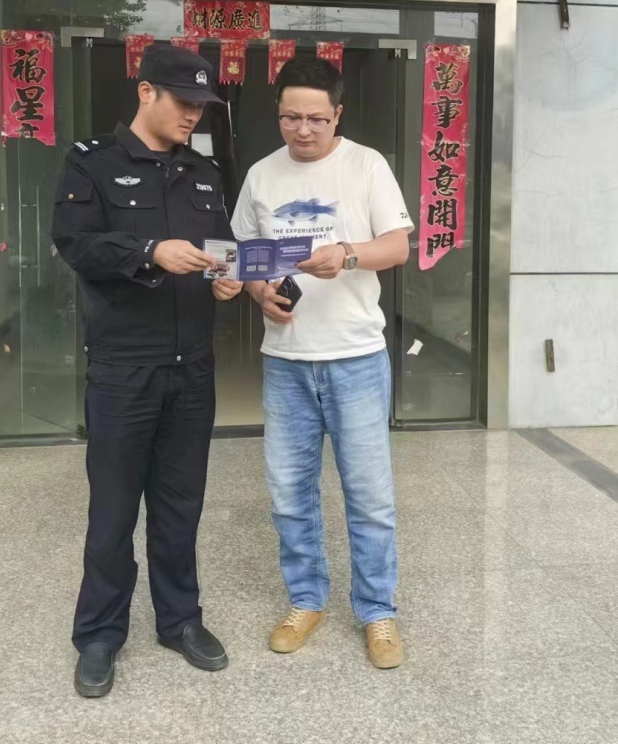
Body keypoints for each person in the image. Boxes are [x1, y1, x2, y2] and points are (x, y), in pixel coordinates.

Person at [52, 43, 243, 697]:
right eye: (183, 102)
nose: (193, 114)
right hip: (123, 370)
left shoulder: (203, 172)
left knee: (180, 505)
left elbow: (221, 248)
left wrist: (227, 278)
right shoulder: (92, 162)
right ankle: (99, 634)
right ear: (145, 93)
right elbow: (76, 244)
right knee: (112, 510)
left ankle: (180, 619)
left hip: (192, 370)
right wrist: (149, 250)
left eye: (201, 105)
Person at [231, 56, 414, 669]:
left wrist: (348, 256)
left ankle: (377, 611)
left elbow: (398, 245)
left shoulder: (366, 165)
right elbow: (245, 256)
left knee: (369, 496)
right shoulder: (261, 175)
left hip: (356, 357)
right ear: (278, 114)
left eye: (316, 118)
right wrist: (259, 293)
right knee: (288, 492)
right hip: (286, 360)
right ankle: (305, 600)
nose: (302, 129)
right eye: (291, 117)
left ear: (338, 114)